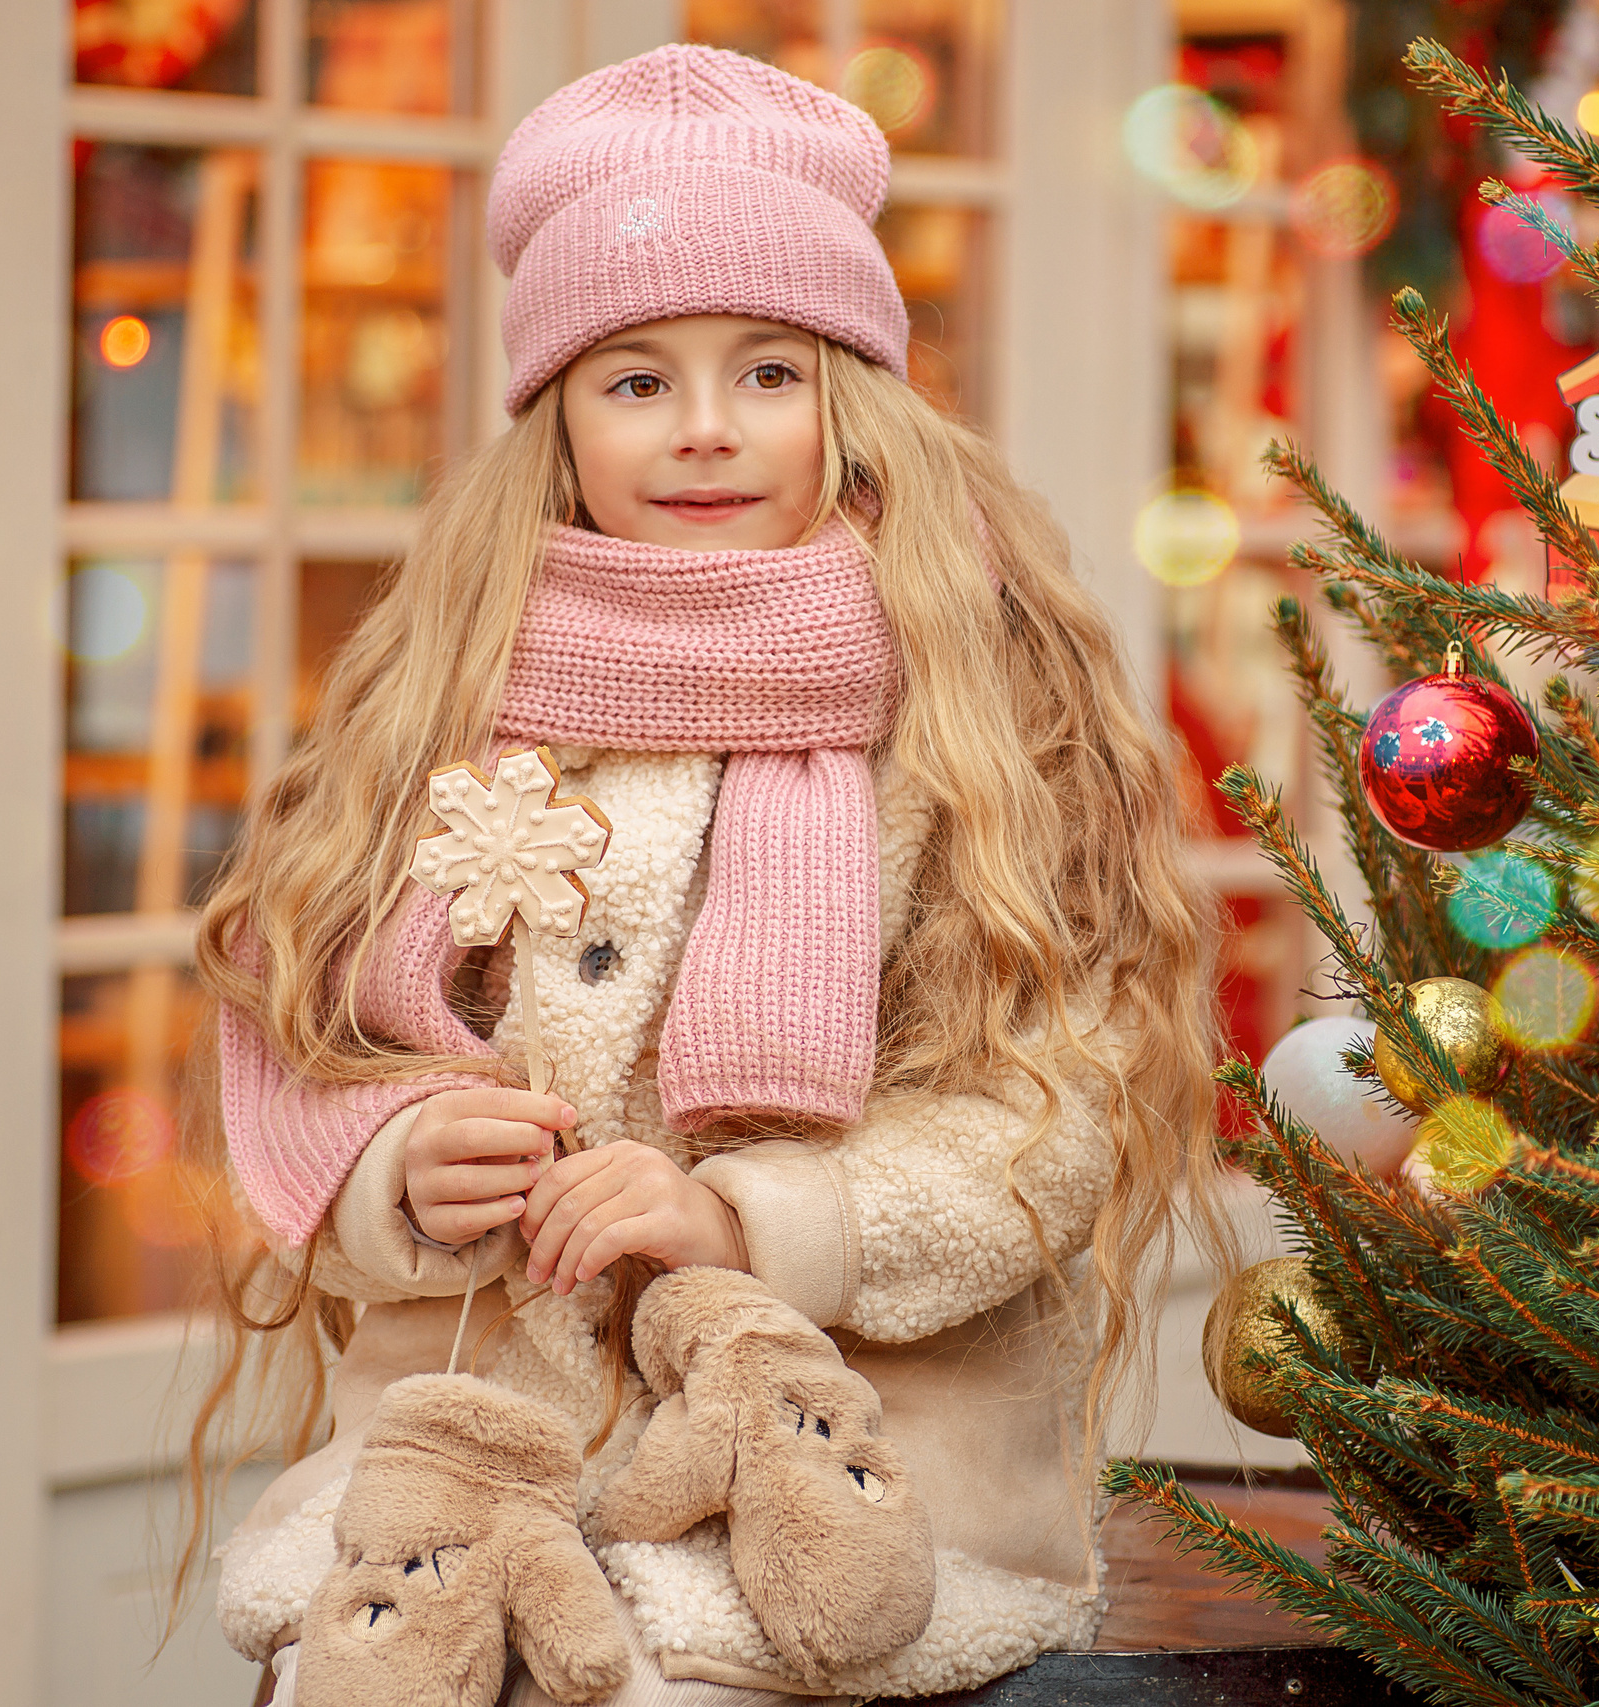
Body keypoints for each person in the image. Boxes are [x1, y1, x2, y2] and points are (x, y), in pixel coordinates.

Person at [180, 44, 1226, 1706]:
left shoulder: (965, 711)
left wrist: (752, 1213)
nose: (707, 432)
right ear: (560, 423)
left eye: (769, 372)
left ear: (849, 393)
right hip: (476, 1452)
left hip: (839, 1474)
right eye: (637, 380)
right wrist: (398, 1165)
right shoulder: (451, 690)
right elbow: (304, 1034)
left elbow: (1055, 1119)